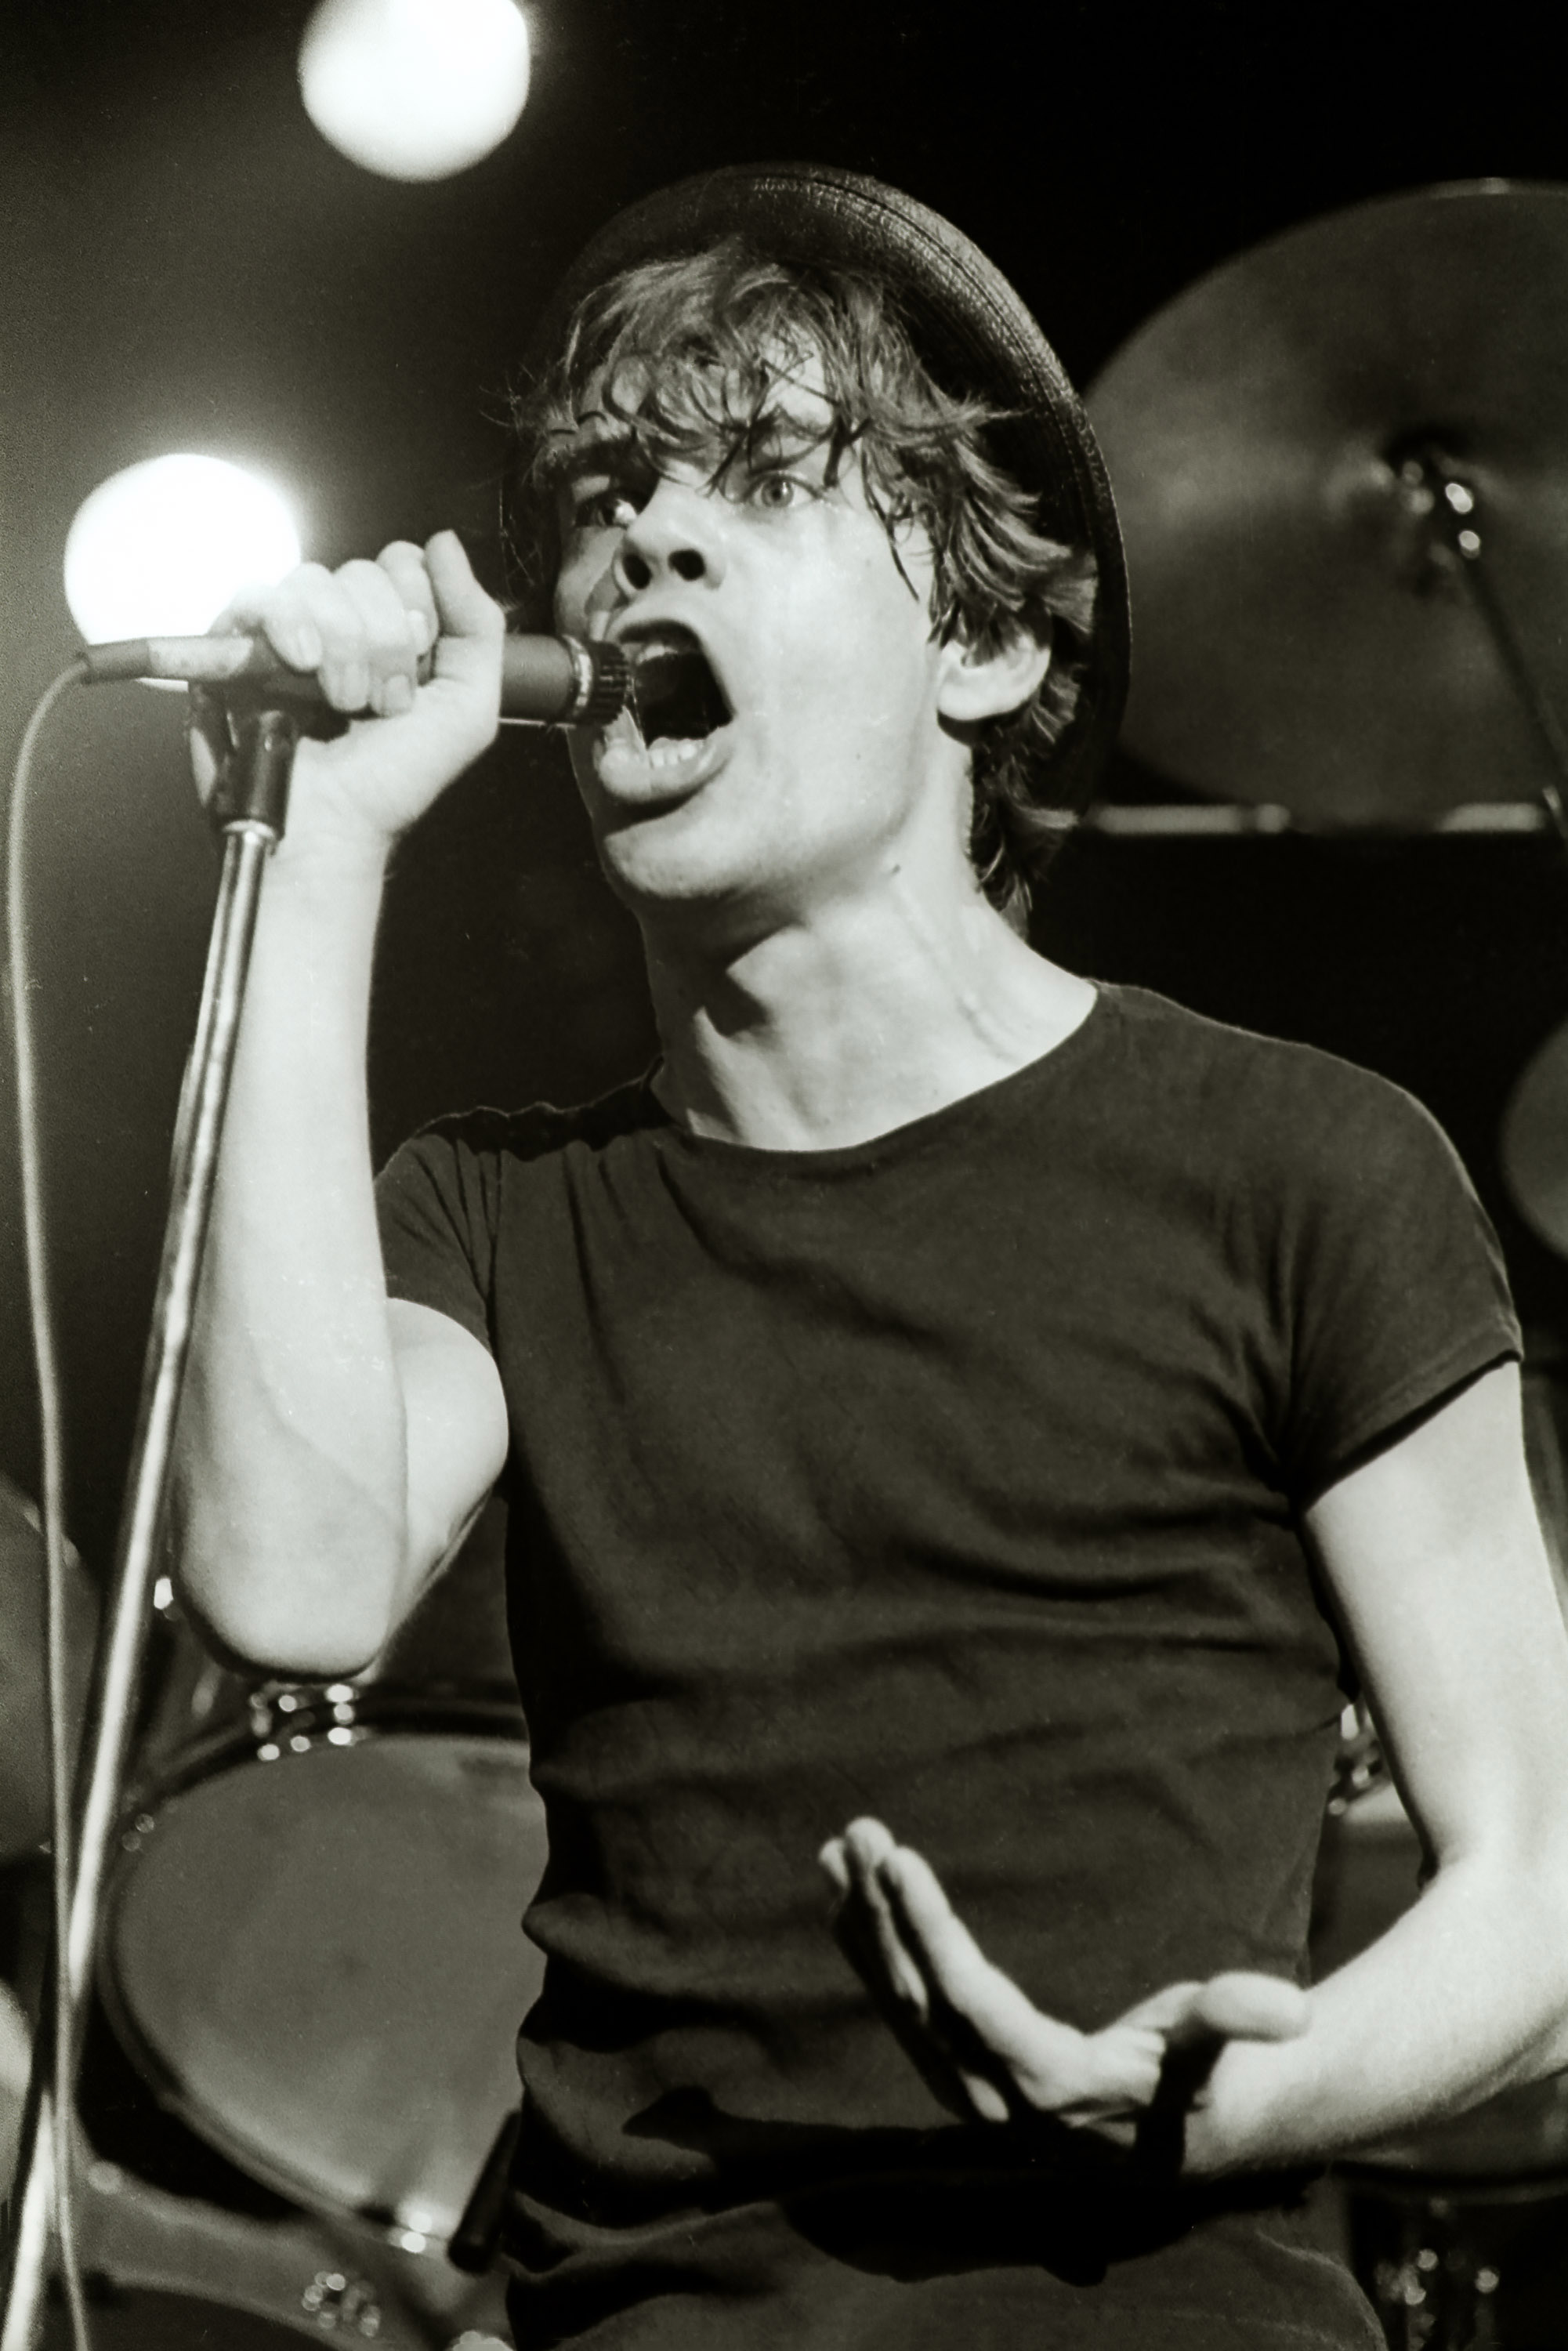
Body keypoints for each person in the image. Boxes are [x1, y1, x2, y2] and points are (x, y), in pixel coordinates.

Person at [172, 165, 1568, 2349]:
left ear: (986, 641)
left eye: (758, 479)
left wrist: (1210, 2110)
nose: (649, 536)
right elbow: (290, 1584)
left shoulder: (1296, 1166)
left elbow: (1545, 1886)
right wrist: (317, 850)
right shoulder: (500, 1207)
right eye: (612, 487)